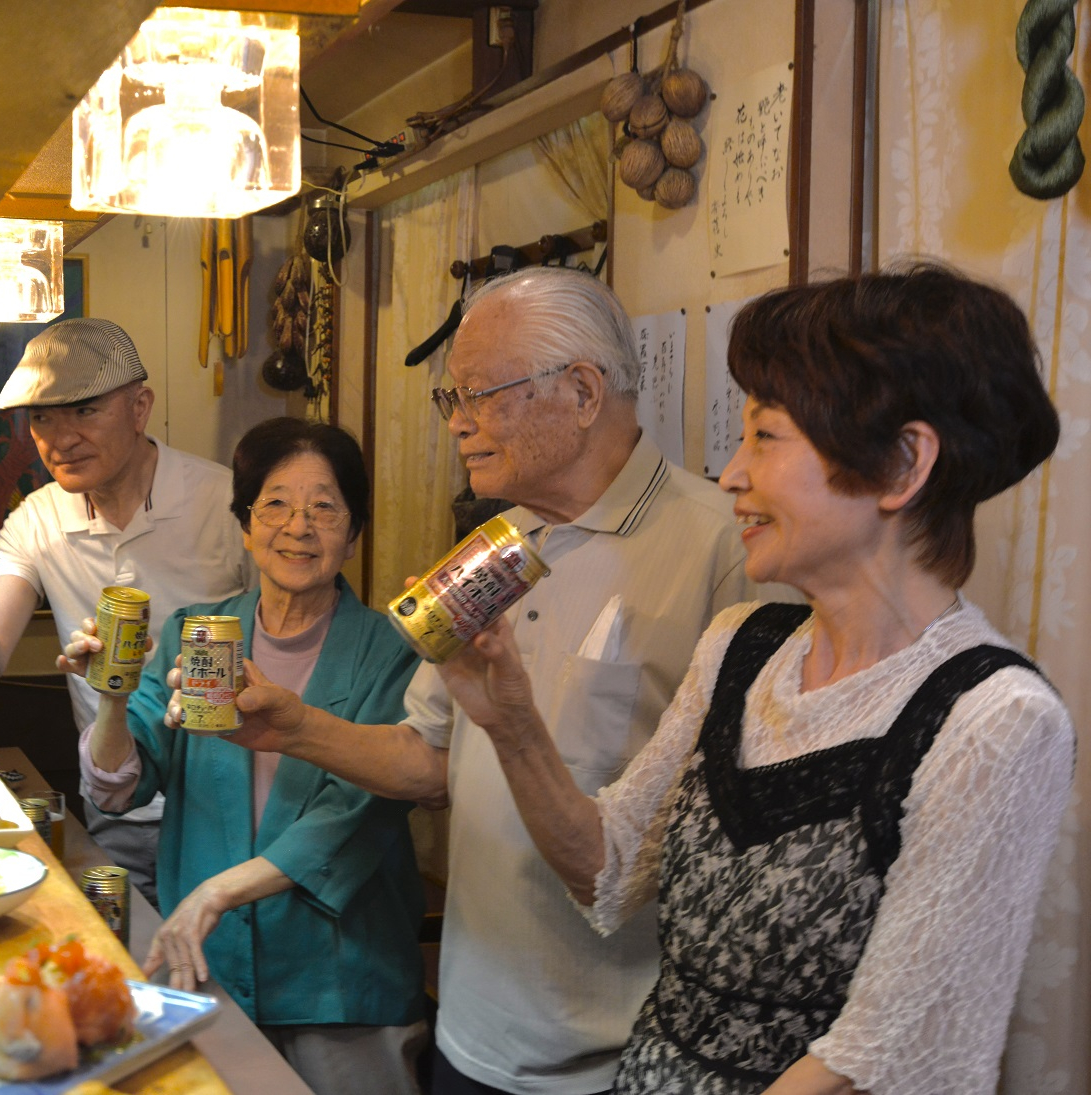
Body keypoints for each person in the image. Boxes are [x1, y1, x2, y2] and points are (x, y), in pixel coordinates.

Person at [429, 262, 1075, 1094]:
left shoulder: (995, 719)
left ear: (903, 465)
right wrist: (511, 723)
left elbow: (877, 1053)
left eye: (765, 437)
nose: (731, 473)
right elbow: (609, 870)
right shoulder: (742, 646)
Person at [176, 266, 771, 1094]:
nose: (457, 424)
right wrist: (291, 726)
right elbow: (429, 757)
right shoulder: (495, 546)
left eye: (479, 394)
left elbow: (735, 841)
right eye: (448, 400)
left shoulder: (726, 552)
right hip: (471, 1024)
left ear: (584, 391)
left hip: (622, 1051)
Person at [59, 417, 427, 1095]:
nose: (299, 525)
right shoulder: (192, 632)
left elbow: (357, 813)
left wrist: (218, 890)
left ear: (353, 532)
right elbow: (118, 785)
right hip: (206, 964)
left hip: (340, 984)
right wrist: (111, 693)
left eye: (325, 506)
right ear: (246, 524)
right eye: (277, 503)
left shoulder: (393, 651)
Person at [0, 318, 254, 903]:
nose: (59, 438)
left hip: (233, 808)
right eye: (41, 417)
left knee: (227, 983)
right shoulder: (37, 519)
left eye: (84, 411)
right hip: (117, 808)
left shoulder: (225, 504)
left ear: (140, 407)